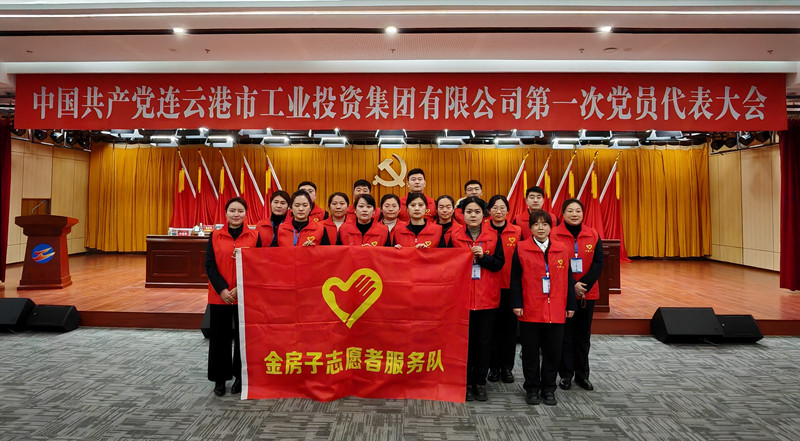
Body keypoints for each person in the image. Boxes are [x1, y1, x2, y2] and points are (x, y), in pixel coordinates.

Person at [510, 209, 576, 406]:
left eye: (545, 224)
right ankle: (532, 388)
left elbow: (568, 278)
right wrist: (517, 303)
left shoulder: (562, 248)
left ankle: (549, 388)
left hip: (555, 308)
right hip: (530, 307)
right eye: (536, 224)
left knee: (553, 351)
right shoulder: (521, 248)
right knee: (530, 352)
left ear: (550, 227)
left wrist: (570, 304)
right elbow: (515, 278)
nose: (541, 228)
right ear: (530, 228)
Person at [449, 197, 505, 402]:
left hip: (486, 299)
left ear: (484, 214)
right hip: (461, 298)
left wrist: (483, 257)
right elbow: (445, 264)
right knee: (463, 343)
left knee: (483, 342)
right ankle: (463, 382)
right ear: (462, 215)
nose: (473, 215)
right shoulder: (453, 235)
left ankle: (479, 383)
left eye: (477, 212)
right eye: (469, 212)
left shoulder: (494, 236)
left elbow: (499, 264)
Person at [204, 197, 260, 397]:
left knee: (244, 339)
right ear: (226, 213)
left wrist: (239, 288)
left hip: (245, 295)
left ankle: (240, 377)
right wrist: (223, 289)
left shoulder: (254, 236)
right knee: (219, 338)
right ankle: (219, 379)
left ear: (246, 213)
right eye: (232, 211)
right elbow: (209, 264)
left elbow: (257, 264)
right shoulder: (215, 235)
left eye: (240, 211)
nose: (236, 214)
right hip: (220, 296)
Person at [552, 198, 604, 392]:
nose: (574, 214)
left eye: (578, 211)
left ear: (583, 213)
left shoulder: (593, 234)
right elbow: (553, 262)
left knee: (583, 337)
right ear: (563, 213)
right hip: (563, 293)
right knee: (565, 336)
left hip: (586, 294)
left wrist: (584, 285)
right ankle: (565, 375)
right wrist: (572, 285)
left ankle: (582, 375)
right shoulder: (554, 234)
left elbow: (598, 262)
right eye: (570, 211)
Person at [484, 195, 523, 385]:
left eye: (502, 208)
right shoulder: (482, 230)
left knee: (509, 331)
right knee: (491, 330)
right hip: (488, 287)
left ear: (508, 211)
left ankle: (507, 368)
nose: (498, 211)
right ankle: (493, 368)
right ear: (489, 211)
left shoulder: (517, 231)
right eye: (495, 208)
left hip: (510, 287)